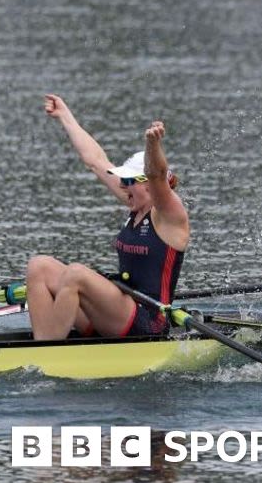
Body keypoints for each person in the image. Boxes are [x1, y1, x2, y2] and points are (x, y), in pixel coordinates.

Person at [26, 94, 189, 340]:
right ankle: (43, 340)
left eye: (128, 181)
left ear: (148, 186)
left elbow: (157, 174)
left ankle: (46, 353)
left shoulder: (169, 216)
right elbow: (95, 161)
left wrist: (152, 145)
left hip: (148, 323)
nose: (122, 186)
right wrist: (65, 116)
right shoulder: (135, 203)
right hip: (117, 311)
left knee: (77, 273)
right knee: (40, 267)